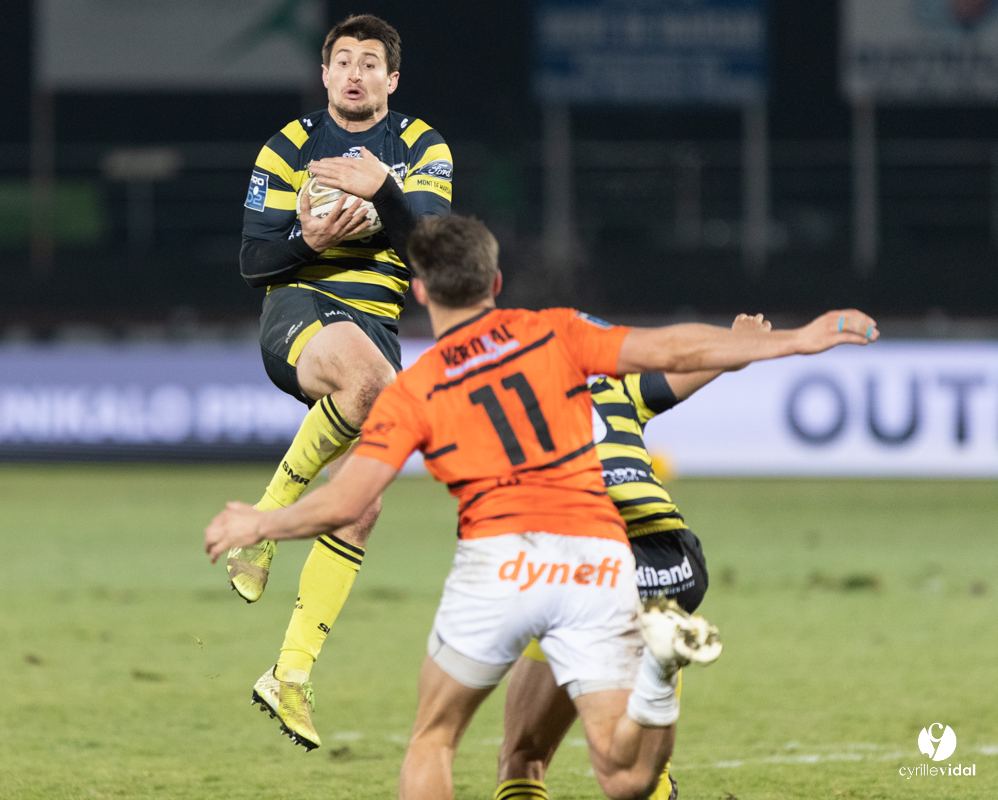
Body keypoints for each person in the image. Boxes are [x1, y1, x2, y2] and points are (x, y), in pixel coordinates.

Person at [205, 216, 878, 798]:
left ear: (420, 292)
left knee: (434, 739)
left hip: (503, 561)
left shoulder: (417, 389)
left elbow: (349, 500)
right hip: (595, 561)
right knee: (622, 774)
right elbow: (670, 347)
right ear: (495, 285)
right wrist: (791, 339)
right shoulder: (557, 333)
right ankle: (660, 675)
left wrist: (263, 522)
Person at [232, 13, 453, 749]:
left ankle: (289, 673)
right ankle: (265, 521)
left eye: (370, 63)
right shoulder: (289, 147)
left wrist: (383, 191)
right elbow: (255, 261)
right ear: (325, 74)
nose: (354, 73)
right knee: (376, 386)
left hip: (379, 337)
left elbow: (428, 246)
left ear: (392, 79)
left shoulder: (421, 147)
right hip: (298, 314)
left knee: (361, 507)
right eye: (342, 61)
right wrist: (309, 238)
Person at [496, 312, 770, 800]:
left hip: (591, 570)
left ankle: (654, 663)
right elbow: (697, 361)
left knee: (524, 757)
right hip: (672, 563)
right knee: (641, 775)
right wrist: (738, 342)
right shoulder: (620, 391)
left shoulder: (508, 407)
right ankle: (659, 665)